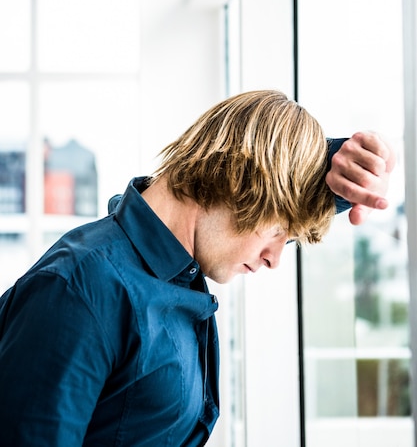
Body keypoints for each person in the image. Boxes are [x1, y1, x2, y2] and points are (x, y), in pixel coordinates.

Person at [0, 90, 395, 446]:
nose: (274, 259)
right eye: (276, 231)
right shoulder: (79, 291)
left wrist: (354, 159)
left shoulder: (176, 275)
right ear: (236, 179)